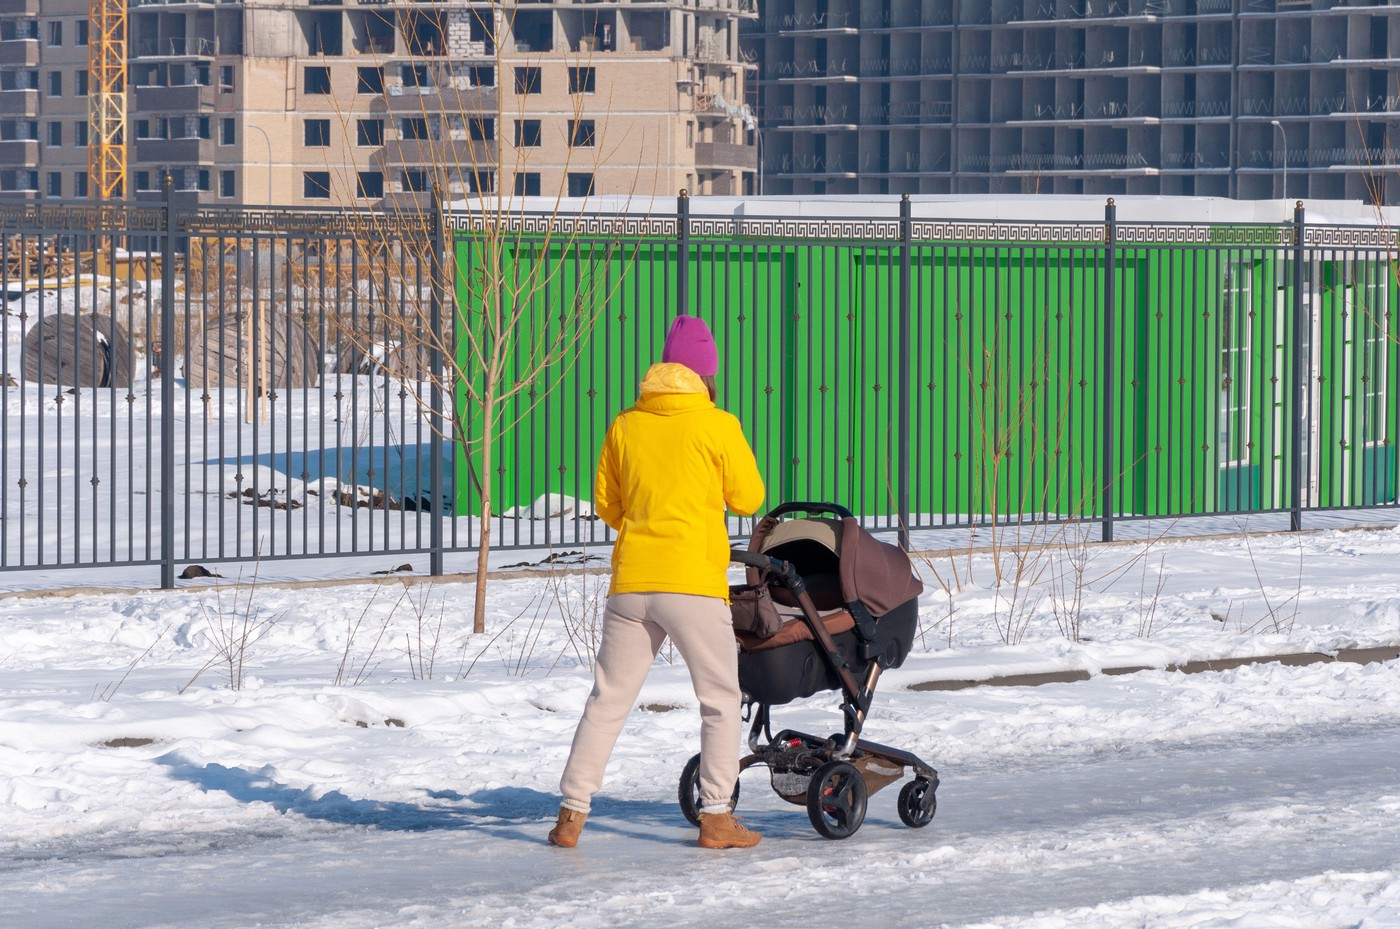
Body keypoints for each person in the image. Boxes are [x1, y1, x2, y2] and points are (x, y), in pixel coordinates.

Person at [549, 314, 765, 850]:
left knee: (608, 699)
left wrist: (648, 525)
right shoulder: (718, 424)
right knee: (719, 698)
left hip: (631, 583)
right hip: (691, 583)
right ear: (707, 374)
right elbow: (749, 499)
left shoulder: (626, 423)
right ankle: (716, 818)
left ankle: (570, 817)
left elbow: (608, 506)